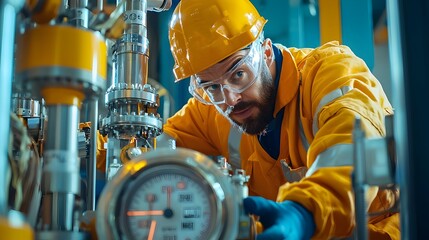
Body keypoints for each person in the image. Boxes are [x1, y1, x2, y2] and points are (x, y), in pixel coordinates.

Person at [161, 0, 400, 239]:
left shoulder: (332, 74)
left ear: (265, 52)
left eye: (239, 74)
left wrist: (302, 213)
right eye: (211, 87)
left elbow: (351, 151)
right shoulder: (213, 107)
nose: (230, 99)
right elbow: (156, 148)